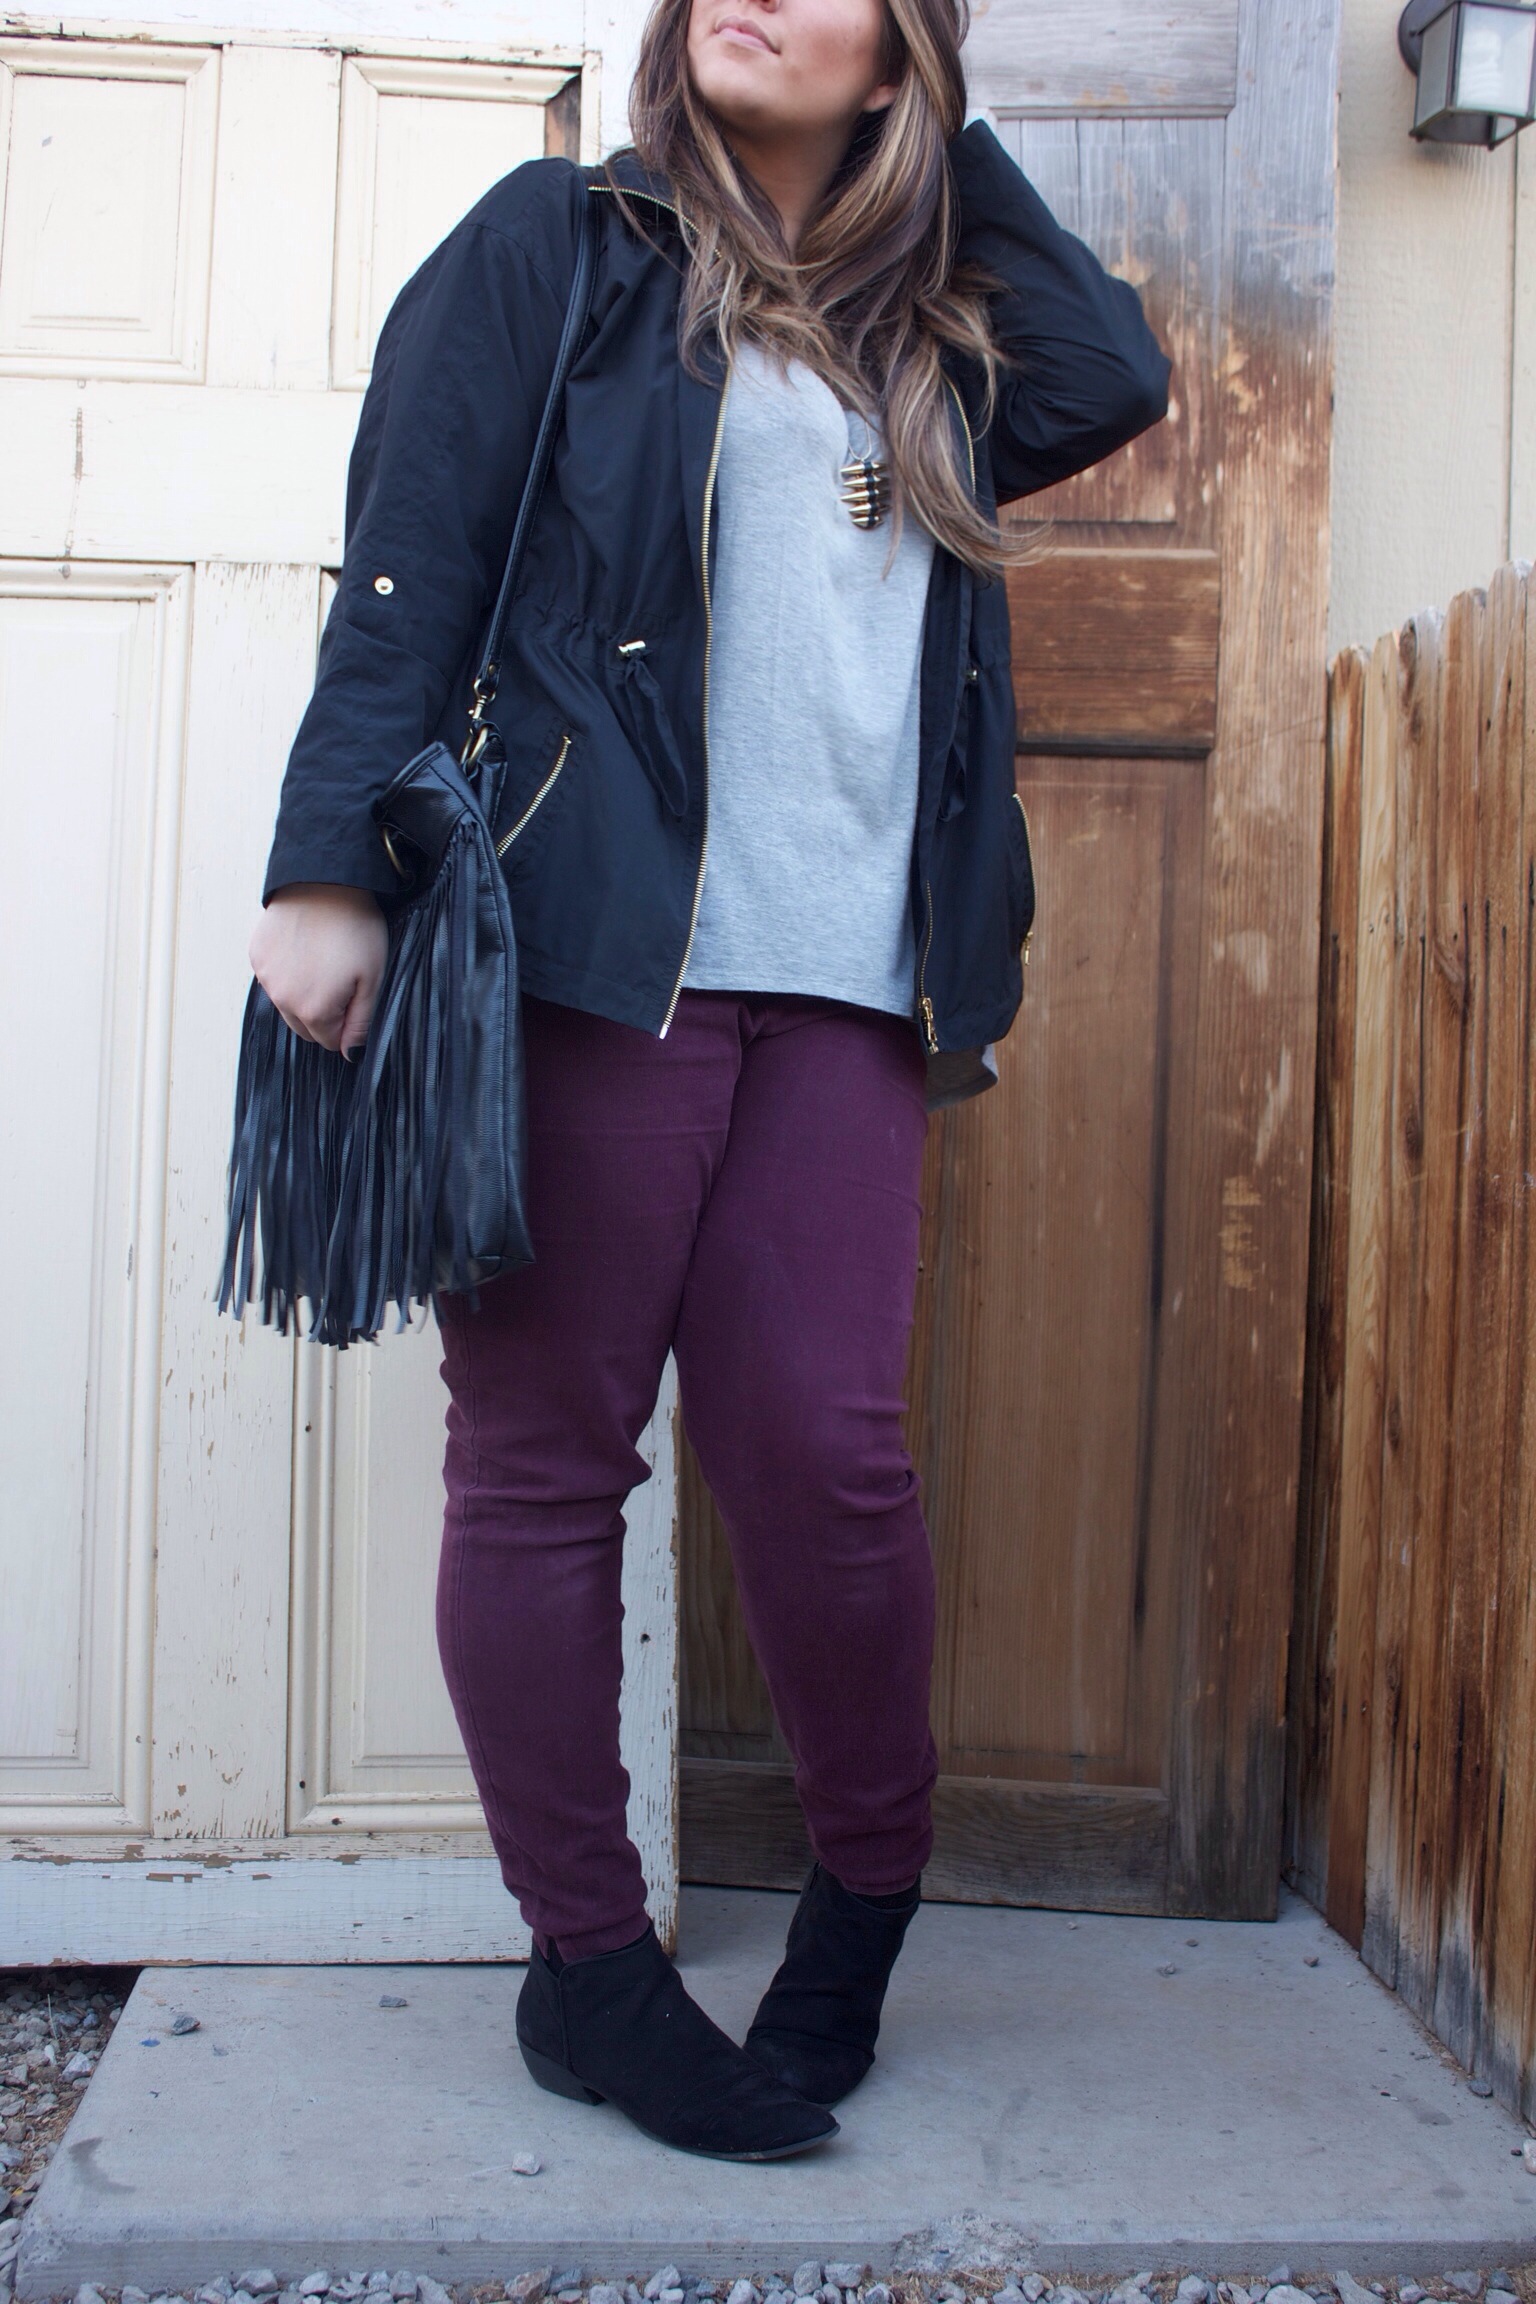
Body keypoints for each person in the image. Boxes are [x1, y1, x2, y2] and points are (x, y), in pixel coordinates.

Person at [248, 0, 1169, 2167]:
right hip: (596, 957)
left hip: (852, 978)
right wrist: (323, 866)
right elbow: (408, 561)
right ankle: (587, 1966)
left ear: (902, 57)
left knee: (829, 1462)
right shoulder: (558, 250)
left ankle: (862, 1904)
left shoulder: (939, 342)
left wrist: (929, 146)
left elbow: (1115, 370)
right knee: (545, 1459)